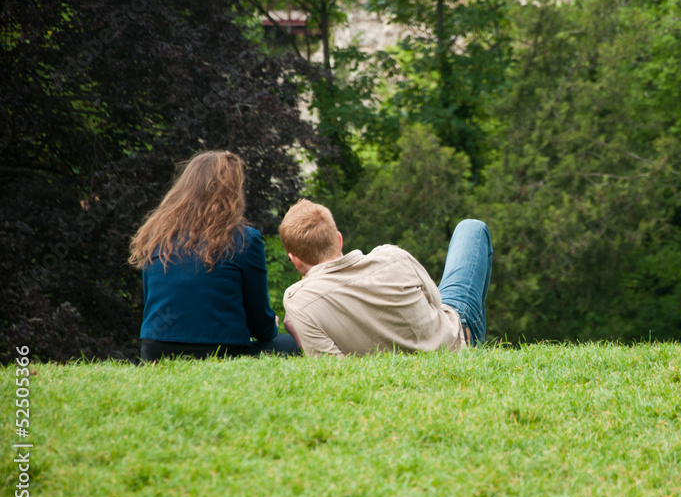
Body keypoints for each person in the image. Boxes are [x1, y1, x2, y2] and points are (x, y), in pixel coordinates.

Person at [129, 150, 298, 361]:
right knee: (288, 344)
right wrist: (270, 326)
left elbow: (154, 301)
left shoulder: (155, 236)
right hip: (220, 350)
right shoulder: (245, 240)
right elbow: (261, 324)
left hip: (156, 351)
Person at [279, 199, 492, 357]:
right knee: (471, 228)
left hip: (395, 359)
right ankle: (474, 347)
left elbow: (329, 362)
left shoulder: (298, 302)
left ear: (294, 259)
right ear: (338, 239)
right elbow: (435, 301)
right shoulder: (391, 256)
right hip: (454, 340)